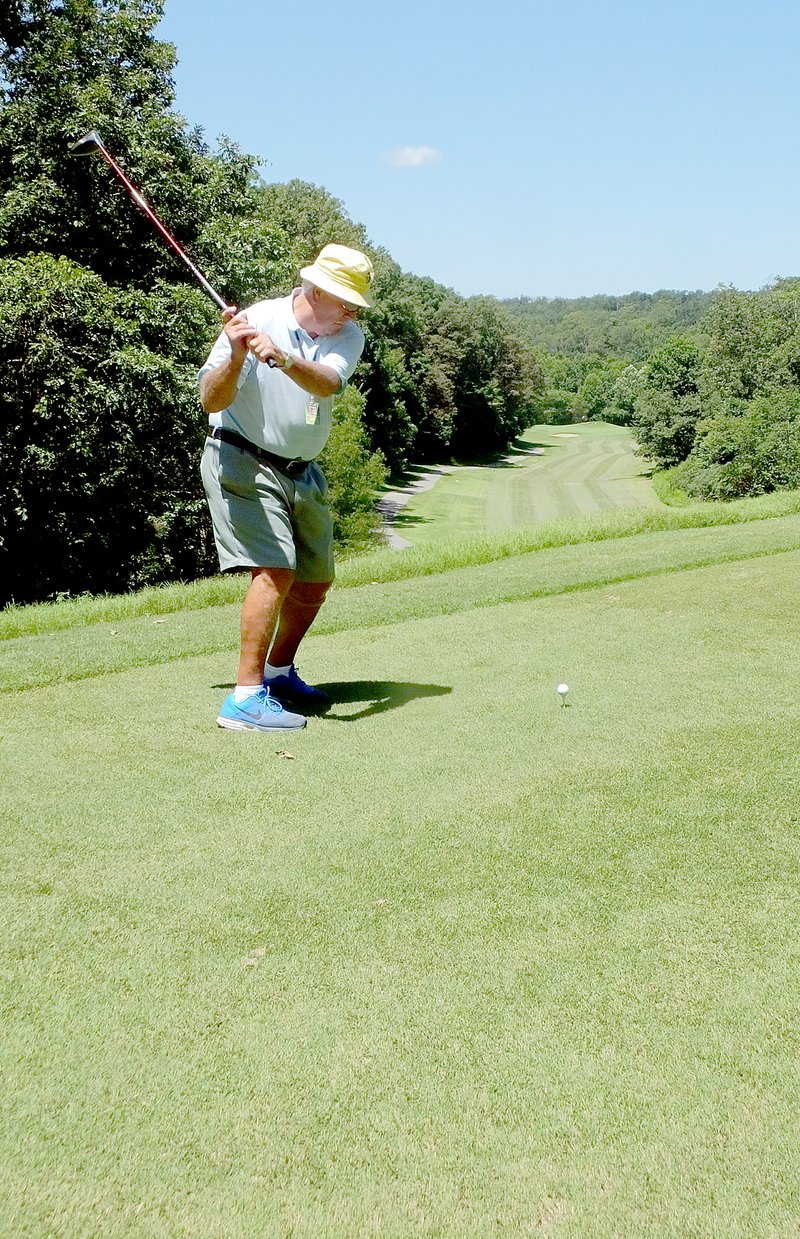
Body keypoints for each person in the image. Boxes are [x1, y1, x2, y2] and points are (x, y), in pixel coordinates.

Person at [198, 243, 374, 732]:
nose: (353, 310)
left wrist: (283, 358)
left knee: (315, 580)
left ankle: (277, 674)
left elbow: (326, 385)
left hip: (301, 470)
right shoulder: (257, 320)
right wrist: (237, 356)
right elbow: (209, 398)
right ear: (314, 290)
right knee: (275, 570)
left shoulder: (347, 334)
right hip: (241, 456)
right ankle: (245, 698)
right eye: (345, 300)